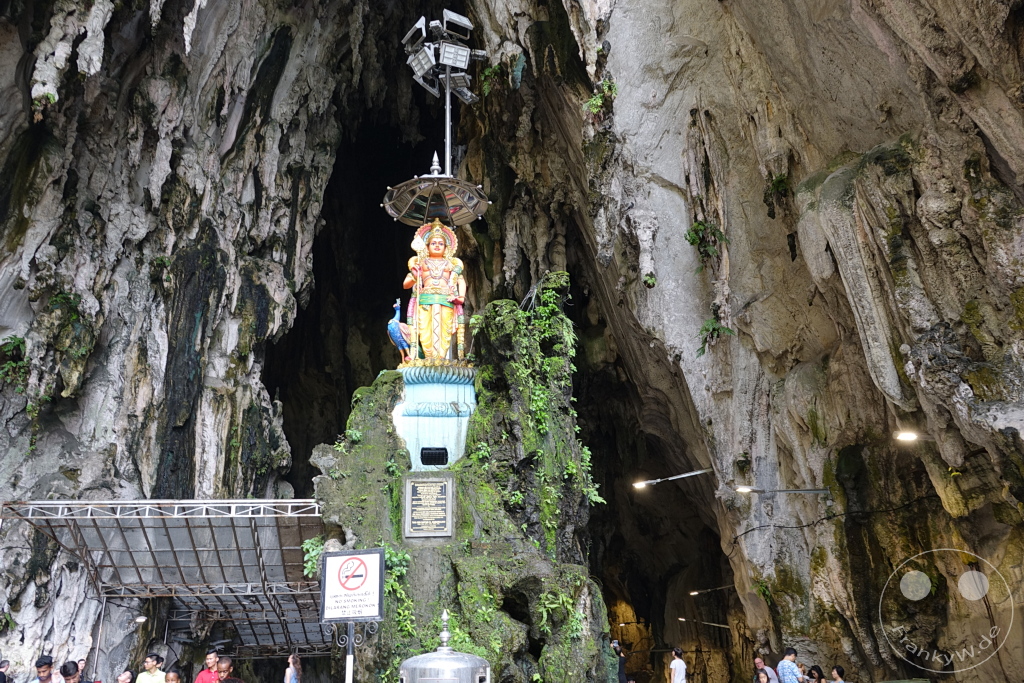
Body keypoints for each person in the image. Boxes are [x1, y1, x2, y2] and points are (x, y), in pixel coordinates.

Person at [401, 220, 467, 361]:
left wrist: (461, 297)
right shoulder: (420, 263)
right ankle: (428, 358)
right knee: (425, 330)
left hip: (446, 299)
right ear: (427, 246)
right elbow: (406, 284)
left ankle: (441, 359)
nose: (437, 246)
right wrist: (416, 275)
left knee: (445, 330)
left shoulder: (451, 264)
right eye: (433, 243)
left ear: (446, 248)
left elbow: (461, 281)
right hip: (426, 299)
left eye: (441, 244)